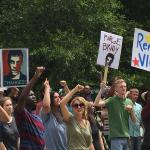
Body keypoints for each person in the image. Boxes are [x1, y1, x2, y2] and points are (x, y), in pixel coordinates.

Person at [94, 79, 136, 150]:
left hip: (127, 137)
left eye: (125, 86)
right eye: (121, 87)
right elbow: (96, 103)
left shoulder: (129, 101)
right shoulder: (111, 100)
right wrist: (101, 90)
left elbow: (134, 121)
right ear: (116, 89)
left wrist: (131, 110)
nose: (124, 88)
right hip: (116, 138)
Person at [14, 67, 45, 150]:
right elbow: (23, 98)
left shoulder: (37, 116)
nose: (34, 96)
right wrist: (35, 77)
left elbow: (42, 138)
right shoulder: (21, 114)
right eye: (30, 95)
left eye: (34, 94)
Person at [60, 84, 95, 150]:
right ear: (72, 108)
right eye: (76, 105)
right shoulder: (70, 118)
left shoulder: (87, 122)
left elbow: (90, 144)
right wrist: (75, 90)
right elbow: (62, 104)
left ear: (84, 107)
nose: (79, 107)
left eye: (81, 105)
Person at [41, 79, 67, 150]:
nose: (58, 98)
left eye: (59, 97)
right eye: (55, 97)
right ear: (50, 99)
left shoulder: (62, 111)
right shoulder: (47, 114)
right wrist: (47, 88)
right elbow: (46, 105)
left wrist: (65, 86)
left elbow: (69, 98)